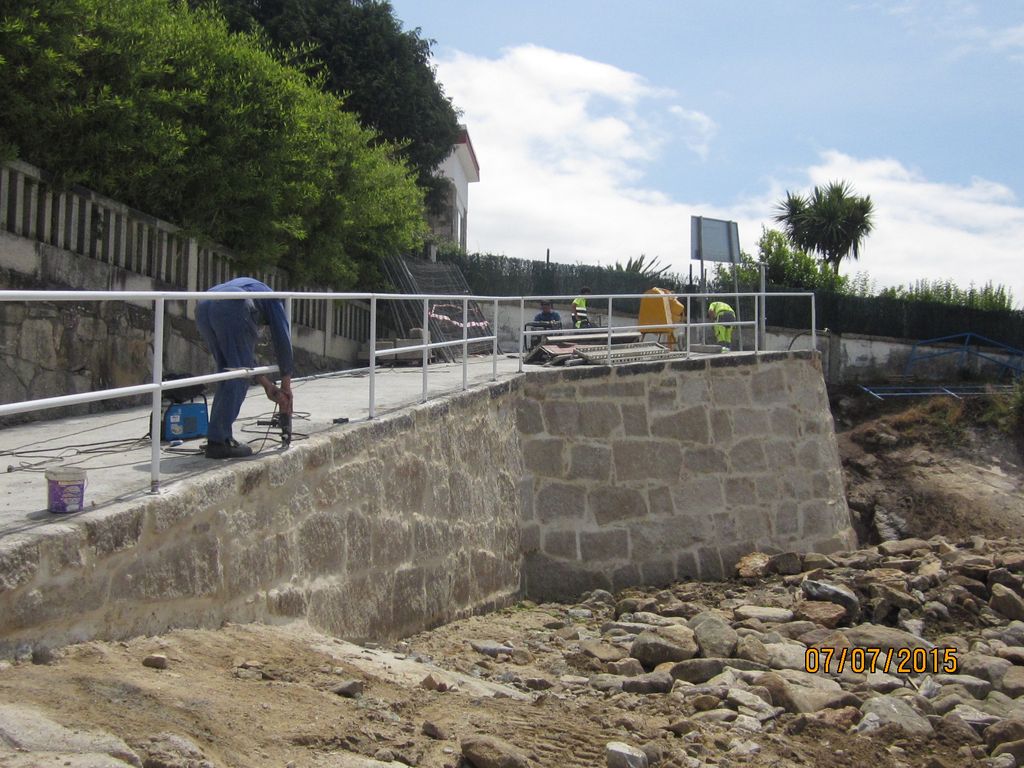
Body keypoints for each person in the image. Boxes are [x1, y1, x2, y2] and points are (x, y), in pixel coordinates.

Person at [196, 277, 294, 459]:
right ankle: (219, 441)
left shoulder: (255, 291)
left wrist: (267, 385)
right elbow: (283, 340)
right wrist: (287, 387)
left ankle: (217, 435)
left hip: (204, 303)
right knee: (238, 375)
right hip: (233, 304)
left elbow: (245, 357)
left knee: (227, 371)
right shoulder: (274, 300)